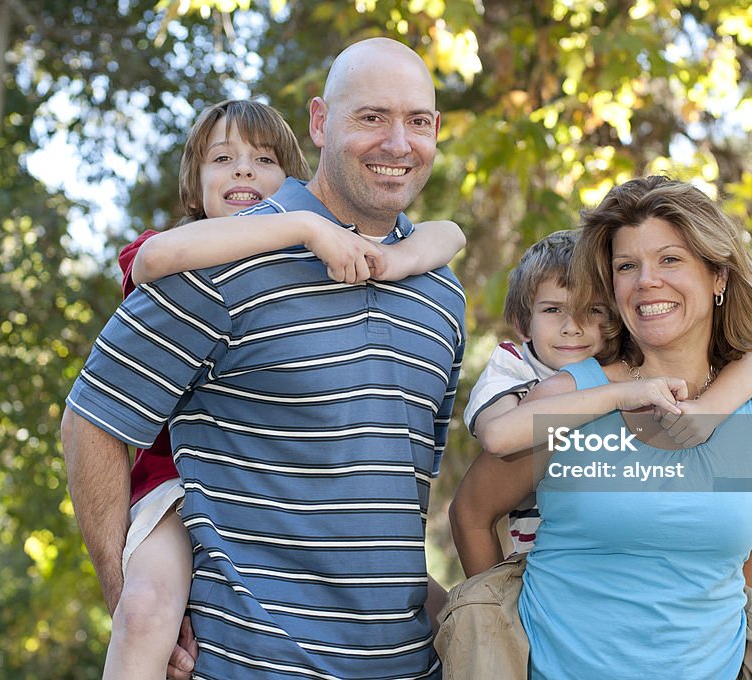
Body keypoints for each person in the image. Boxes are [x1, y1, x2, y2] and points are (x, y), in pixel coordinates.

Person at [62, 38, 465, 680]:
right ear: (320, 121)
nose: (398, 143)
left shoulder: (443, 295)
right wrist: (125, 599)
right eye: (371, 117)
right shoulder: (220, 261)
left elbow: (400, 493)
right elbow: (93, 420)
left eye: (417, 121)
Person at [450, 176, 752, 678]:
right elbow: (471, 513)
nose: (646, 281)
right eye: (626, 266)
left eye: (670, 259)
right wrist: (506, 633)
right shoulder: (568, 396)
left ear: (718, 277)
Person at [454, 229, 752, 573]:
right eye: (552, 310)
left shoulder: (616, 363)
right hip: (539, 575)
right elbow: (497, 438)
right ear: (522, 323)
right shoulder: (511, 368)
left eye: (593, 310)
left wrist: (710, 411)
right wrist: (493, 610)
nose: (573, 327)